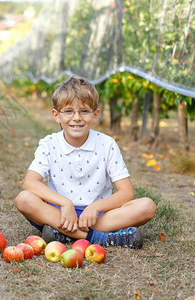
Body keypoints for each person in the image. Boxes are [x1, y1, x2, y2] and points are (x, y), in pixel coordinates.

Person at [15, 76, 156, 249]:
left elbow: (126, 193)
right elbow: (30, 182)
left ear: (95, 114)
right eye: (68, 111)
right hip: (59, 212)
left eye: (84, 111)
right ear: (56, 115)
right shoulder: (49, 144)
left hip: (99, 215)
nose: (76, 118)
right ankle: (101, 238)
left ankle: (63, 233)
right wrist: (65, 203)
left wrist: (95, 208)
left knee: (147, 206)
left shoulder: (107, 144)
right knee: (24, 199)